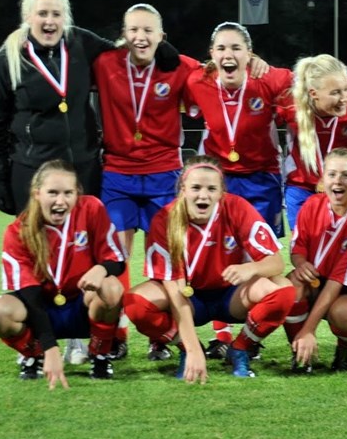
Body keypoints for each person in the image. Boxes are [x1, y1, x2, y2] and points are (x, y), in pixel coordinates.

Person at [0, 0, 180, 216]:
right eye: (42, 14)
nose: (50, 21)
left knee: (85, 237)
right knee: (37, 239)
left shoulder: (81, 42)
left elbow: (119, 55)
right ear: (28, 17)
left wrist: (159, 47)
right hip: (32, 170)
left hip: (83, 169)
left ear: (65, 18)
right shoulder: (7, 61)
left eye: (56, 14)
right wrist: (0, 177)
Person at [92, 3, 202, 362]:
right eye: (133, 30)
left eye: (148, 30)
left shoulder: (182, 67)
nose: (140, 37)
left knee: (167, 260)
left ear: (161, 36)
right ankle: (115, 335)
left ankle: (160, 333)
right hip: (117, 174)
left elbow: (219, 74)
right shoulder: (104, 63)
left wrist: (257, 63)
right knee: (115, 257)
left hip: (164, 175)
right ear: (123, 34)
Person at [122, 156, 293, 382]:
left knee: (283, 290)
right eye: (196, 188)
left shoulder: (238, 207)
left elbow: (276, 263)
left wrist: (252, 268)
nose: (203, 195)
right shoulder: (165, 219)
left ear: (222, 192)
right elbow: (175, 291)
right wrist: (192, 348)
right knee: (136, 303)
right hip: (189, 298)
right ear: (183, 190)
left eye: (211, 189)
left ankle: (240, 349)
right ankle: (186, 350)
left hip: (232, 295)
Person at [0, 160, 126, 388]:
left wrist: (101, 269)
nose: (61, 201)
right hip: (41, 309)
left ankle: (100, 354)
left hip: (81, 305)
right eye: (53, 192)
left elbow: (117, 259)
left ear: (77, 193)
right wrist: (49, 347)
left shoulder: (91, 208)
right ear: (37, 194)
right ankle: (35, 354)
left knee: (111, 287)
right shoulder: (18, 231)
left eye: (68, 193)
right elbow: (30, 296)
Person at [185, 21, 291, 238]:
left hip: (262, 177)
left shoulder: (269, 79)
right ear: (212, 53)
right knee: (219, 245)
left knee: (263, 246)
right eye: (221, 48)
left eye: (236, 48)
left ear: (249, 53)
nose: (228, 54)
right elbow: (172, 64)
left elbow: (312, 79)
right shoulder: (197, 81)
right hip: (218, 178)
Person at [283, 148, 347, 372]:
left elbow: (337, 281)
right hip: (314, 282)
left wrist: (309, 329)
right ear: (323, 178)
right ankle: (300, 354)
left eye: (346, 175)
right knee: (290, 286)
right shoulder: (312, 204)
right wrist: (301, 263)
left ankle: (345, 350)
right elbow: (297, 247)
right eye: (332, 174)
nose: (338, 181)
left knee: (344, 312)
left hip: (341, 289)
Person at [278, 54, 347, 232]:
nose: (344, 98)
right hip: (301, 188)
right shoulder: (292, 106)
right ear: (313, 93)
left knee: (339, 243)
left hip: (343, 188)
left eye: (345, 89)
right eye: (335, 92)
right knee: (302, 243)